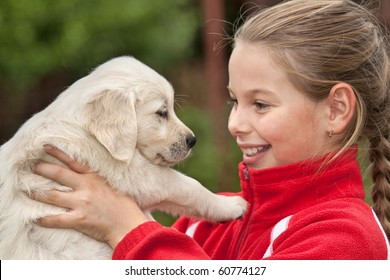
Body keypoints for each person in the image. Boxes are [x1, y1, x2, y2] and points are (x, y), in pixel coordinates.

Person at [32, 0, 390, 259]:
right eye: (234, 101)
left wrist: (126, 227)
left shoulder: (347, 240)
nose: (234, 123)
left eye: (261, 104)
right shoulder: (203, 223)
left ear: (337, 110)